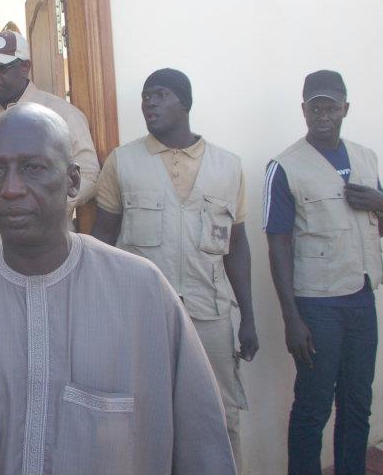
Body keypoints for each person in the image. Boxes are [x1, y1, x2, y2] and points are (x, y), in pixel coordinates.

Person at [0, 104, 236, 474]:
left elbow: (203, 448)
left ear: (73, 181)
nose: (10, 189)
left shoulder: (143, 292)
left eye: (33, 168)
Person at [91, 68, 257, 470]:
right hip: (142, 314)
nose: (149, 102)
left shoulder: (228, 166)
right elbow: (100, 243)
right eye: (146, 96)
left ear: (185, 102)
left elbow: (237, 248)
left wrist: (248, 317)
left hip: (210, 315)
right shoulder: (122, 162)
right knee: (142, 412)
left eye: (160, 95)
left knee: (220, 411)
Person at [264, 70, 383, 475]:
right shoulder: (284, 166)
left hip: (361, 298)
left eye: (331, 107)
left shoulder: (365, 158)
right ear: (303, 110)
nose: (323, 115)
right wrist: (292, 319)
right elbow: (278, 241)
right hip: (317, 307)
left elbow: (378, 225)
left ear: (345, 109)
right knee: (313, 406)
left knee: (357, 403)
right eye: (315, 107)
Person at [0, 30, 99, 258]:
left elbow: (88, 173)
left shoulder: (62, 114)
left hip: (43, 249)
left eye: (1, 67)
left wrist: (49, 206)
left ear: (25, 67)